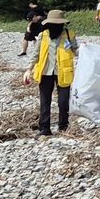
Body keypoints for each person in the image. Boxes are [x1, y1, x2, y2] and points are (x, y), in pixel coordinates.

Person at [30, 9, 80, 137]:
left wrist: (85, 50)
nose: (55, 27)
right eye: (52, 24)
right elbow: (36, 54)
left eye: (58, 24)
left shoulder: (69, 34)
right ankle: (44, 128)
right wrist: (28, 69)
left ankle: (63, 126)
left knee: (63, 101)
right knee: (45, 100)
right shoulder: (43, 35)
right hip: (45, 71)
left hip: (64, 72)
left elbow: (75, 50)